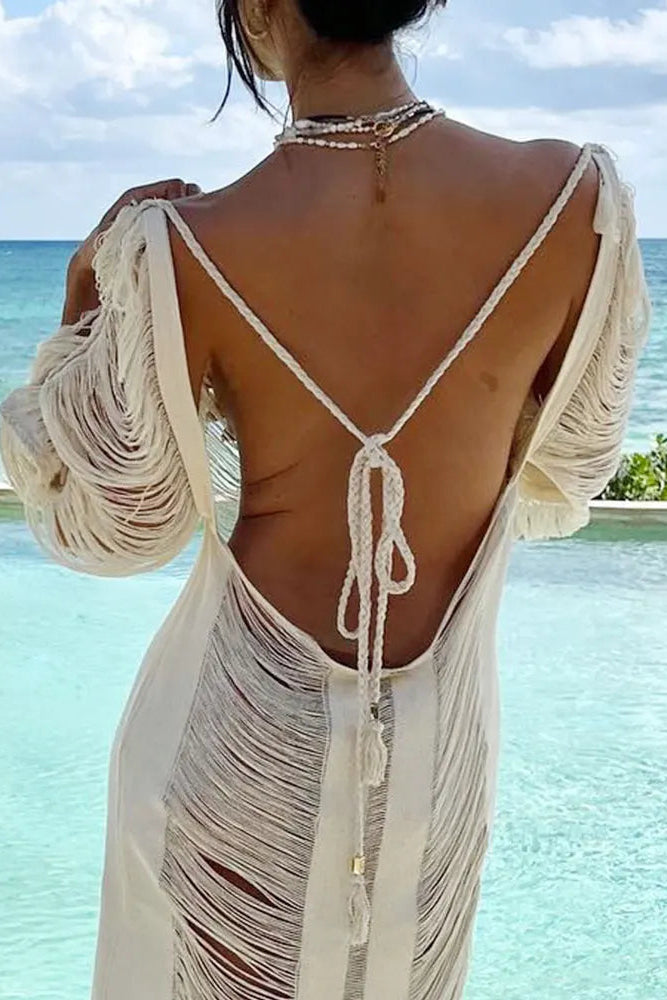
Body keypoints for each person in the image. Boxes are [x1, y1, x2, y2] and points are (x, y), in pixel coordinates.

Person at [0, 0, 652, 997]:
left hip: (227, 747)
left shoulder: (177, 245)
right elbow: (569, 463)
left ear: (258, 10)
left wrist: (86, 300)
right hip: (442, 753)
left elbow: (119, 524)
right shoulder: (574, 201)